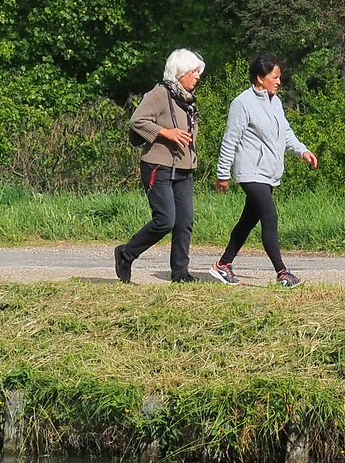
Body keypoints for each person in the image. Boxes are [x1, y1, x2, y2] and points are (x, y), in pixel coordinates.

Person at [208, 52, 318, 288]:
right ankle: (282, 273)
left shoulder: (274, 101)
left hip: (268, 174)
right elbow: (230, 140)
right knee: (269, 217)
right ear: (260, 77)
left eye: (279, 77)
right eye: (275, 77)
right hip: (250, 172)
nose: (279, 82)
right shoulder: (242, 103)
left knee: (248, 221)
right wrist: (222, 174)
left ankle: (223, 265)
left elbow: (286, 133)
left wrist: (303, 151)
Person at [116, 49, 204, 284]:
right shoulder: (159, 94)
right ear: (179, 73)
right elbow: (137, 120)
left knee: (184, 222)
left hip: (184, 169)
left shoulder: (188, 100)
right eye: (193, 71)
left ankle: (180, 273)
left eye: (198, 71)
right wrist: (166, 133)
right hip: (158, 166)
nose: (197, 76)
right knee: (165, 220)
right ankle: (126, 253)